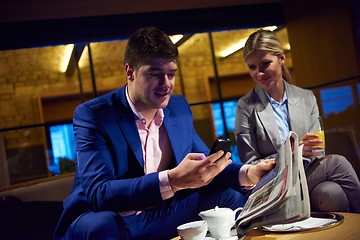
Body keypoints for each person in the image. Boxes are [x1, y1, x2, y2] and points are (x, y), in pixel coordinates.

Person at [53, 27, 275, 240]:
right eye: (155, 74)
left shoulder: (177, 109)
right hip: (109, 218)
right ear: (130, 72)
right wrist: (172, 180)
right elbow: (100, 194)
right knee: (103, 226)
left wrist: (249, 172)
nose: (166, 84)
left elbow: (204, 160)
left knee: (230, 195)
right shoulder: (94, 115)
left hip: (156, 215)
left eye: (171, 74)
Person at [234, 29, 360, 213]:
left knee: (332, 193)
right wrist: (295, 152)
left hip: (307, 176)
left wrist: (307, 152)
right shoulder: (245, 107)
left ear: (281, 58)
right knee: (337, 163)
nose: (259, 73)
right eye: (252, 67)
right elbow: (251, 167)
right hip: (272, 185)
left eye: (265, 64)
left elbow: (319, 150)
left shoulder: (306, 97)